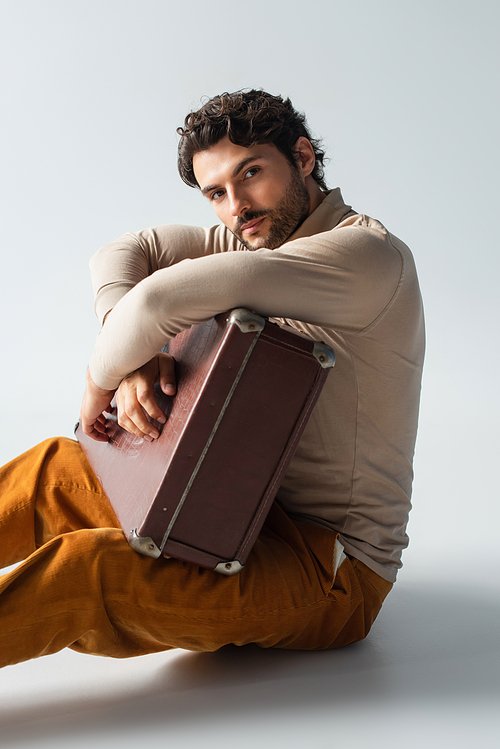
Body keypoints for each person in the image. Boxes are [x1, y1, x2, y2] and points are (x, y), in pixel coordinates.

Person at [0, 90, 424, 668]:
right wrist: (135, 352)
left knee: (85, 573)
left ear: (302, 158)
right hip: (226, 502)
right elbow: (128, 251)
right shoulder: (260, 233)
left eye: (250, 174)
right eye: (217, 193)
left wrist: (105, 379)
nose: (237, 207)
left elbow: (159, 300)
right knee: (53, 472)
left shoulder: (367, 256)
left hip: (329, 571)